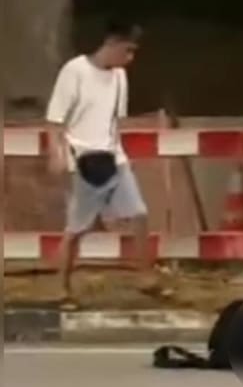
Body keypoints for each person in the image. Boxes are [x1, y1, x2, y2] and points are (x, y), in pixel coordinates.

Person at [45, 19, 170, 308]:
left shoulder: (119, 78)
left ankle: (145, 276)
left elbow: (115, 120)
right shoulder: (75, 71)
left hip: (113, 157)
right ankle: (61, 288)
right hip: (84, 160)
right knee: (76, 228)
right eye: (127, 51)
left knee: (138, 213)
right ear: (111, 44)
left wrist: (119, 153)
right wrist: (57, 152)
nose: (130, 58)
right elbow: (55, 120)